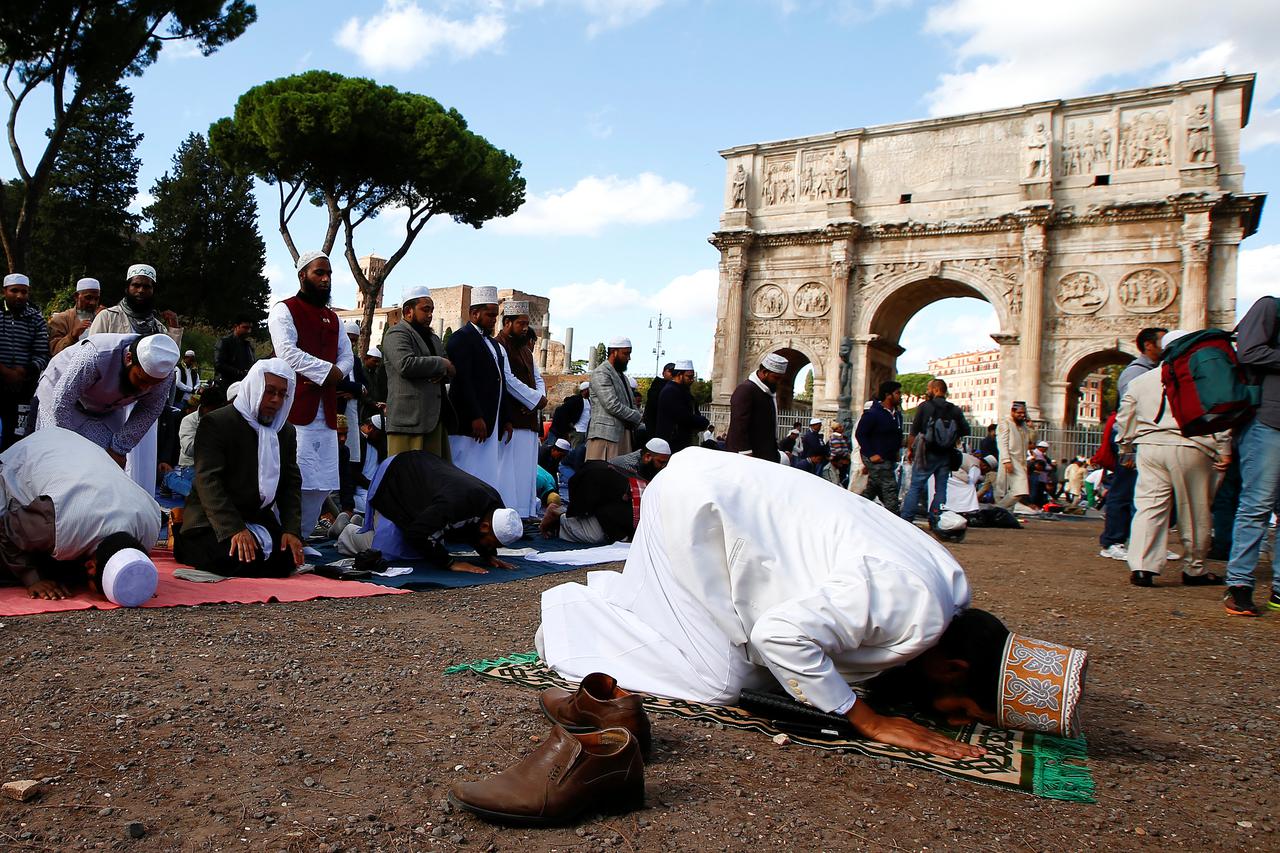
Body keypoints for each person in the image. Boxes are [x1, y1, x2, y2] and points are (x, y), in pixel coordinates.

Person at [537, 449, 1004, 760]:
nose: (957, 720)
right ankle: (570, 613)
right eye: (967, 709)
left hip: (723, 502)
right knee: (721, 680)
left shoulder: (948, 589)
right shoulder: (912, 607)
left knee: (767, 672)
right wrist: (869, 720)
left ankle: (641, 605)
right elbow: (778, 635)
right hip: (699, 508)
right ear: (953, 668)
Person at [1116, 334, 1230, 588]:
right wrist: (1224, 447)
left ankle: (1143, 567)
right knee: (1194, 510)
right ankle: (1195, 568)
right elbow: (1217, 414)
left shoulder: (1142, 380)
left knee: (1149, 507)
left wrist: (1125, 447)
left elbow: (1125, 417)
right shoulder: (1200, 379)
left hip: (1149, 446)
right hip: (1191, 445)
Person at [174, 359, 305, 578]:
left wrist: (291, 530)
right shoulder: (217, 423)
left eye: (283, 394)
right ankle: (183, 541)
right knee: (235, 558)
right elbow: (208, 481)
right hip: (211, 520)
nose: (275, 400)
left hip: (257, 518)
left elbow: (290, 484)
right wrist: (233, 528)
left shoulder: (285, 431)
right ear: (254, 388)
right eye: (269, 391)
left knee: (287, 558)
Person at [0, 427, 161, 601]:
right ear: (91, 567)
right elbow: (5, 531)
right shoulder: (58, 522)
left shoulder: (150, 526)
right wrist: (33, 579)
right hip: (30, 454)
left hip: (74, 450)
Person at [267, 251, 354, 546]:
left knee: (321, 482)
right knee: (292, 478)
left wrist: (338, 373)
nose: (326, 278)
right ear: (303, 275)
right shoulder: (284, 310)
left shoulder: (334, 318)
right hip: (295, 406)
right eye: (319, 273)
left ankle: (301, 539)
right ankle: (280, 537)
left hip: (326, 411)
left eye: (328, 273)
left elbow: (347, 355)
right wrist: (326, 372)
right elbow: (286, 352)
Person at [338, 450, 522, 574]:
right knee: (393, 553)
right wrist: (450, 563)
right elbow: (417, 533)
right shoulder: (456, 504)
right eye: (493, 543)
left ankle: (364, 525)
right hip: (397, 475)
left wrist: (487, 555)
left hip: (422, 478)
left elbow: (476, 528)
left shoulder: (494, 505)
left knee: (425, 547)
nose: (493, 547)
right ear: (485, 526)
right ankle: (347, 532)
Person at [87, 263, 183, 494]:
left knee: (141, 461)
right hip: (110, 402)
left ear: (153, 290)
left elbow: (168, 365)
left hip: (143, 405)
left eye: (146, 287)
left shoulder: (158, 327)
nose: (140, 290)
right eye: (136, 285)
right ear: (128, 287)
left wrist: (174, 332)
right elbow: (90, 356)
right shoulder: (107, 317)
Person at [35, 332, 179, 466]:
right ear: (129, 359)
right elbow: (62, 401)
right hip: (59, 397)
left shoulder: (165, 377)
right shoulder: (97, 354)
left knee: (105, 465)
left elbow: (149, 409)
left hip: (105, 408)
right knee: (59, 459)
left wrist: (119, 448)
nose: (144, 388)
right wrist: (70, 445)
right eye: (140, 379)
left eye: (153, 384)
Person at [1225, 296, 1280, 615]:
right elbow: (1249, 351)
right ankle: (1240, 584)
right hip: (1268, 421)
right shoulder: (1270, 307)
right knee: (1256, 506)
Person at [540, 438, 671, 544]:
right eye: (661, 462)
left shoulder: (649, 469)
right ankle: (559, 519)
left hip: (611, 506)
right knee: (596, 536)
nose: (664, 467)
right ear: (648, 456)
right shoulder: (627, 467)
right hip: (599, 501)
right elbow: (605, 498)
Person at [381, 285, 453, 458]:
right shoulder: (396, 333)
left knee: (432, 479)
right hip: (408, 421)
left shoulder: (433, 338)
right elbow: (405, 364)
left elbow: (450, 367)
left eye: (432, 310)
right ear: (408, 311)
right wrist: (440, 363)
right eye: (425, 310)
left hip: (433, 420)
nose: (430, 315)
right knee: (406, 478)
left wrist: (443, 369)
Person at [446, 286, 508, 486]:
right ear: (474, 313)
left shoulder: (492, 343)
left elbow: (500, 380)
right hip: (469, 422)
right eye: (490, 315)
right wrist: (475, 416)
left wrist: (505, 418)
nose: (493, 319)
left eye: (495, 315)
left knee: (483, 474)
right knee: (463, 471)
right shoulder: (461, 338)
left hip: (489, 420)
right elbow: (464, 380)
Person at [494, 301, 548, 516]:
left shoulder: (526, 350)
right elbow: (508, 380)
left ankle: (525, 514)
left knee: (526, 473)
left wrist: (538, 399)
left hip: (529, 420)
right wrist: (532, 400)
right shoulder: (499, 345)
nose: (526, 328)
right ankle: (507, 515)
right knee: (509, 473)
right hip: (512, 419)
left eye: (527, 324)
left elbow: (537, 378)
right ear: (507, 322)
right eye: (521, 324)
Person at [901, 379, 969, 526]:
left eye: (929, 388)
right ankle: (936, 518)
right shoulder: (955, 410)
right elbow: (965, 430)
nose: (927, 391)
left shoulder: (925, 407)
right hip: (946, 454)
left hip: (926, 452)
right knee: (941, 489)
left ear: (936, 390)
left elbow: (914, 430)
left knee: (916, 486)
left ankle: (907, 518)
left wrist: (910, 450)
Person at [0, 273, 49, 449]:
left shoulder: (36, 318)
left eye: (24, 292)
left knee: (17, 437)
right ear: (4, 291)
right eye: (14, 291)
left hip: (23, 389)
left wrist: (23, 373)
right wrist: (5, 372)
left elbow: (43, 354)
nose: (20, 296)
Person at [163, 384, 228, 499]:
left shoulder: (223, 420)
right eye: (213, 410)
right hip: (191, 466)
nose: (215, 414)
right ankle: (169, 478)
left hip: (215, 468)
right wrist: (209, 434)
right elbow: (188, 449)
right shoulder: (189, 421)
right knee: (202, 496)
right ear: (203, 407)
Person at [586, 337, 642, 461]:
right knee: (602, 476)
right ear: (614, 352)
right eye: (626, 354)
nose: (629, 358)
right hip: (606, 436)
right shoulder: (601, 373)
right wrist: (636, 416)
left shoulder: (622, 376)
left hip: (623, 436)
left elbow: (631, 403)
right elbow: (612, 404)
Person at [726, 352, 788, 461]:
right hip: (748, 458)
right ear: (765, 373)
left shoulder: (767, 392)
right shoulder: (746, 390)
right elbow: (739, 424)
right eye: (776, 378)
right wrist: (745, 453)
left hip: (764, 456)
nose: (778, 382)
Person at [856, 380, 904, 514]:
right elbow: (860, 434)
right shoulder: (873, 414)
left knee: (873, 488)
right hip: (877, 458)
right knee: (890, 488)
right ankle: (895, 518)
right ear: (888, 395)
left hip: (888, 458)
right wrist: (871, 454)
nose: (900, 396)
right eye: (897, 393)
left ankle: (856, 509)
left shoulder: (897, 415)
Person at [655, 359, 709, 453]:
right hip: (674, 442)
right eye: (689, 377)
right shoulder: (670, 391)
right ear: (680, 375)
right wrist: (702, 421)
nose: (692, 380)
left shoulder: (683, 390)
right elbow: (683, 417)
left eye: (693, 377)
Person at [47, 277, 103, 356]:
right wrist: (73, 335)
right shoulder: (60, 319)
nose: (93, 303)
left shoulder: (103, 317)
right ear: (76, 296)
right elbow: (54, 352)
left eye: (96, 299)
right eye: (88, 298)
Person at [996, 401, 1033, 513]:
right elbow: (1002, 443)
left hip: (1021, 461)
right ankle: (999, 509)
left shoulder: (1024, 427)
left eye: (1023, 413)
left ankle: (1003, 511)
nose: (1022, 415)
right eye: (1019, 413)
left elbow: (1033, 441)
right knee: (1019, 490)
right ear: (1013, 412)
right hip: (1010, 459)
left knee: (1014, 490)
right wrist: (1006, 460)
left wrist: (1032, 427)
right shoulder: (1005, 423)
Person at [1116, 327, 1167, 399]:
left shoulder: (1158, 368)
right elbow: (1128, 405)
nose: (1167, 345)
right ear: (1148, 345)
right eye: (1163, 342)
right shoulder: (1134, 372)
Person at [214, 315, 256, 387]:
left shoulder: (248, 346)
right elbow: (219, 365)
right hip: (225, 386)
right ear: (236, 326)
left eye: (250, 328)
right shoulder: (225, 342)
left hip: (242, 386)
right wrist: (239, 372)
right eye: (245, 327)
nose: (248, 331)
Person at [607, 436, 672, 480]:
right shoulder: (628, 466)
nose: (663, 466)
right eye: (661, 462)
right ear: (648, 456)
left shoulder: (644, 461)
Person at [548, 382, 590, 447]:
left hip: (586, 432)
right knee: (576, 452)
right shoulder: (576, 400)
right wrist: (569, 425)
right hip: (578, 432)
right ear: (585, 390)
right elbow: (560, 411)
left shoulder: (589, 401)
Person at [642, 362, 674, 436]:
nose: (672, 374)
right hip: (656, 425)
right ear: (663, 373)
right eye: (670, 371)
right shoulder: (657, 386)